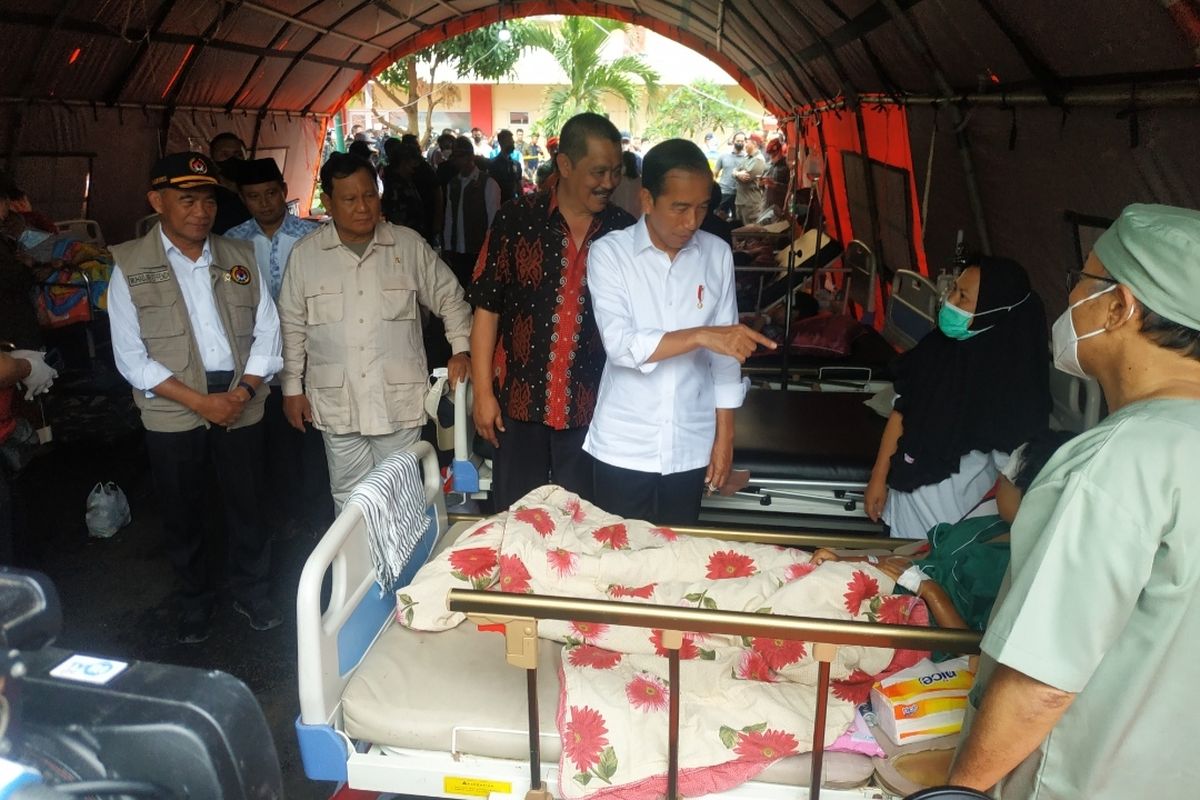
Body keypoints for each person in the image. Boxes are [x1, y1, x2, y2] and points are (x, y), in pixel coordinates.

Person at [948, 205, 1200, 798]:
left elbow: (1042, 681)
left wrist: (959, 791)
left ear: (1119, 306)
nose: (1070, 303)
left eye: (1080, 282)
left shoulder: (1119, 459)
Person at [107, 152, 283, 643]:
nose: (200, 212)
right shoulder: (130, 264)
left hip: (239, 394)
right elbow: (129, 356)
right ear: (157, 201)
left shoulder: (238, 258)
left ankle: (252, 591)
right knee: (184, 510)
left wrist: (243, 389)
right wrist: (201, 402)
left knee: (248, 504)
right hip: (172, 406)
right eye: (187, 200)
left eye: (207, 200)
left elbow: (268, 332)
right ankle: (195, 601)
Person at [584, 139, 775, 525]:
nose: (692, 222)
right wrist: (703, 335)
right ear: (647, 200)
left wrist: (724, 440)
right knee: (619, 567)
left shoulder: (716, 253)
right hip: (625, 444)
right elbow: (621, 346)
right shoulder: (610, 255)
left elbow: (725, 361)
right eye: (680, 208)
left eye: (703, 208)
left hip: (691, 443)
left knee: (678, 561)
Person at [278, 153, 472, 512]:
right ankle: (361, 569)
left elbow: (451, 298)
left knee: (402, 497)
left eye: (370, 195)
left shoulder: (407, 245)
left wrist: (461, 349)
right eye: (350, 199)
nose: (363, 207)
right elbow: (291, 325)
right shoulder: (306, 256)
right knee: (350, 501)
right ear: (328, 202)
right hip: (338, 402)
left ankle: (403, 570)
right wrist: (292, 387)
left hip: (397, 399)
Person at [468, 112, 635, 511]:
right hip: (519, 406)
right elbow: (486, 312)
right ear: (564, 165)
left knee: (585, 527)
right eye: (598, 171)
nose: (609, 183)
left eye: (616, 171)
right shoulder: (516, 220)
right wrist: (483, 395)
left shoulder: (625, 232)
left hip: (593, 411)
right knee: (516, 521)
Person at [812, 429, 1073, 634]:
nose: (997, 481)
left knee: (799, 602)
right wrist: (846, 559)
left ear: (1030, 497)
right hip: (886, 586)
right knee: (797, 571)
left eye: (1004, 480)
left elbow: (971, 648)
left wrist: (928, 589)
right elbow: (913, 562)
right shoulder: (987, 525)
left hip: (908, 624)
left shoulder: (1015, 567)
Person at [865, 257, 1049, 539]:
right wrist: (879, 477)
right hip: (903, 507)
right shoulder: (937, 350)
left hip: (952, 523)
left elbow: (1010, 479)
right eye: (953, 290)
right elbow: (902, 411)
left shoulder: (1009, 389)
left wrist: (979, 546)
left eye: (963, 297)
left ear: (994, 310)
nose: (950, 302)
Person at [224, 158, 328, 537]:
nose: (265, 203)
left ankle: (319, 512)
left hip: (309, 351)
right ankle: (286, 513)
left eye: (271, 193)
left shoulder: (312, 235)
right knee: (273, 438)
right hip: (258, 358)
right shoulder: (232, 242)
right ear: (243, 198)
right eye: (254, 197)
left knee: (312, 433)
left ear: (284, 192)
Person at [442, 136, 501, 290]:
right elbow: (449, 218)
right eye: (454, 157)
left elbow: (493, 220)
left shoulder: (488, 183)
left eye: (459, 157)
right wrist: (448, 246)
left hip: (479, 249)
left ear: (470, 157)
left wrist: (490, 250)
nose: (455, 161)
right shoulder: (453, 184)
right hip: (457, 250)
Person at [208, 132, 252, 234]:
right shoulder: (208, 194)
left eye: (238, 154)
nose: (232, 159)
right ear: (212, 160)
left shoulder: (256, 189)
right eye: (224, 155)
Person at [733, 133, 767, 225]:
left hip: (750, 204)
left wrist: (736, 173)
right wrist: (737, 173)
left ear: (754, 144)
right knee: (739, 229)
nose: (744, 144)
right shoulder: (747, 157)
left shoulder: (759, 160)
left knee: (749, 232)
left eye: (747, 142)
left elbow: (746, 177)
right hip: (740, 201)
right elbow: (734, 171)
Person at [488, 129, 524, 205]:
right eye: (510, 141)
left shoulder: (516, 165)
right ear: (501, 143)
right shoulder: (493, 165)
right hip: (498, 204)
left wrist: (522, 203)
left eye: (512, 141)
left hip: (513, 205)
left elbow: (519, 186)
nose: (513, 143)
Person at [713, 132, 744, 219]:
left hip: (739, 194)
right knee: (718, 216)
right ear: (733, 141)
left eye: (742, 141)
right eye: (738, 140)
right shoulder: (723, 155)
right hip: (724, 192)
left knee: (736, 219)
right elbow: (715, 172)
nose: (740, 143)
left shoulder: (747, 158)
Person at [609, 151, 642, 219]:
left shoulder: (617, 181)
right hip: (637, 218)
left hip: (619, 217)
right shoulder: (641, 181)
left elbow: (611, 200)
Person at [761, 138, 790, 216]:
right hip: (766, 204)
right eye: (770, 154)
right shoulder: (768, 165)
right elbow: (763, 186)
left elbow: (790, 189)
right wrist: (761, 183)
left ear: (780, 151)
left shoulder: (787, 166)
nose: (772, 157)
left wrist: (775, 185)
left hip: (779, 206)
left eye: (774, 154)